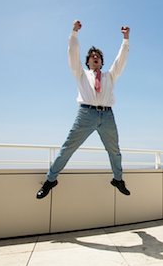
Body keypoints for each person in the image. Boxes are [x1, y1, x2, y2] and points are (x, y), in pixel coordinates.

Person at [37, 20, 131, 199]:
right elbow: (73, 54)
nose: (95, 57)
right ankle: (50, 180)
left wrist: (125, 40)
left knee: (114, 150)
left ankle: (118, 179)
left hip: (107, 115)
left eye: (98, 56)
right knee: (68, 148)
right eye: (92, 56)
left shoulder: (109, 76)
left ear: (102, 62)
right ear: (87, 61)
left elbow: (121, 61)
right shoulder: (81, 74)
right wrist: (74, 33)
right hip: (86, 114)